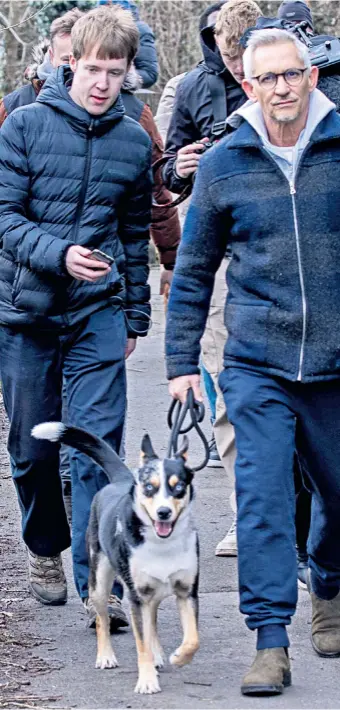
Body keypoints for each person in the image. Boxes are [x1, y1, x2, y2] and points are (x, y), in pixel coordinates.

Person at [166, 27, 340, 695]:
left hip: (334, 363)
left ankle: (327, 581)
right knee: (263, 499)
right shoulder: (224, 163)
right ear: (248, 84)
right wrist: (182, 359)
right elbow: (193, 270)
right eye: (266, 77)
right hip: (256, 363)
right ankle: (270, 638)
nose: (280, 88)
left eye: (291, 75)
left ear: (312, 77)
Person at [0, 5, 152, 631]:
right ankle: (43, 549)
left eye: (115, 73)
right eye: (92, 69)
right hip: (26, 313)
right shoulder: (25, 126)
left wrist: (136, 315)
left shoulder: (136, 140)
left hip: (98, 315)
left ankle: (101, 586)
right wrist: (58, 253)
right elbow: (4, 220)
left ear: (126, 74)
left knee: (93, 452)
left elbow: (135, 231)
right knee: (32, 453)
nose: (102, 83)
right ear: (70, 63)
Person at [162, 0, 263, 556]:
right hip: (220, 255)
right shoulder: (192, 87)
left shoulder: (291, 78)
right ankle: (244, 512)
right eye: (228, 59)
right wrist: (180, 166)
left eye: (243, 58)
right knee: (228, 387)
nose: (239, 73)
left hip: (279, 253)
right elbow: (164, 170)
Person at [97, 0, 158, 87]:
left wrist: (127, 76)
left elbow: (150, 74)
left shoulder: (139, 30)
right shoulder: (93, 26)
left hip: (125, 90)